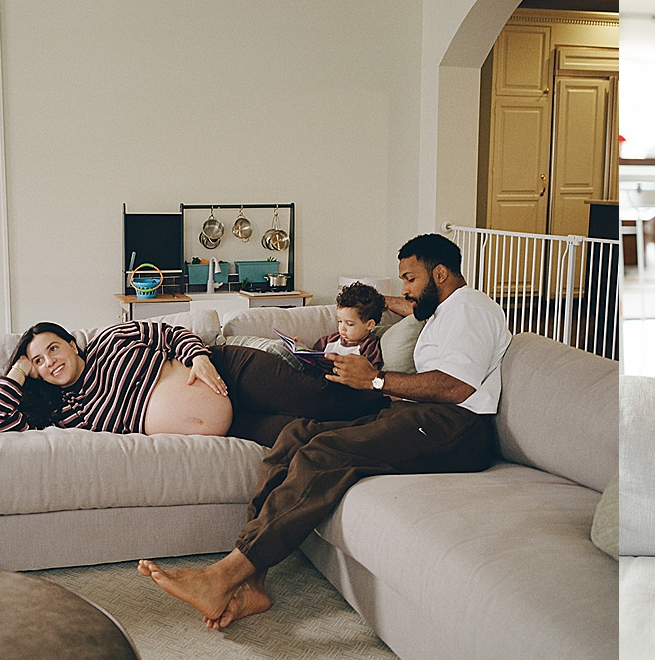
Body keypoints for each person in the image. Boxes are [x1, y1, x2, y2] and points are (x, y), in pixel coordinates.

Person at [138, 233, 511, 630]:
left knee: (323, 454)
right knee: (297, 435)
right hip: (418, 417)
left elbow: (458, 386)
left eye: (410, 279)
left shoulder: (471, 309)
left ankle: (224, 575)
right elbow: (409, 307)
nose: (405, 290)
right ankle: (253, 583)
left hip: (458, 428)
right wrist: (378, 299)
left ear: (440, 273)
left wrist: (378, 382)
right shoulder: (441, 308)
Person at [0, 317, 386, 444]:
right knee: (308, 433)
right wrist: (18, 369)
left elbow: (173, 333)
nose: (49, 362)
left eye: (53, 348)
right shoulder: (66, 413)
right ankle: (399, 428)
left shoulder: (111, 338)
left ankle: (398, 397)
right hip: (231, 427)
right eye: (39, 360)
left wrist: (200, 357)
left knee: (319, 397)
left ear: (72, 343)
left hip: (229, 372)